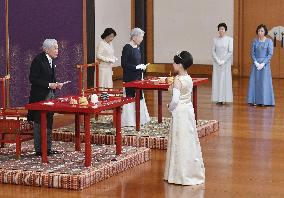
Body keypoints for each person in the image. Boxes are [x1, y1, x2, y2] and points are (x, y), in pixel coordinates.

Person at [164, 51, 205, 186]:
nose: (173, 64)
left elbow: (175, 101)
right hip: (188, 110)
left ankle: (178, 174)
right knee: (188, 139)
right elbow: (185, 95)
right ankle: (191, 171)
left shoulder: (178, 80)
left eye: (175, 62)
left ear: (180, 65)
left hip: (179, 111)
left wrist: (169, 107)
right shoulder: (188, 78)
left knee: (179, 139)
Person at [27, 39, 64, 156]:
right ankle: (39, 150)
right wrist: (49, 84)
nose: (57, 50)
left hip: (50, 95)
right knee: (39, 122)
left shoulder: (51, 60)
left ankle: (48, 148)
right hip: (40, 96)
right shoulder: (38, 60)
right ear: (47, 49)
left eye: (57, 48)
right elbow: (33, 79)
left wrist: (57, 84)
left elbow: (50, 78)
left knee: (49, 121)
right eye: (55, 48)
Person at [121, 28, 150, 127]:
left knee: (139, 96)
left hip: (138, 77)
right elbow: (124, 64)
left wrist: (142, 67)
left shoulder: (137, 47)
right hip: (129, 78)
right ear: (134, 37)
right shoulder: (127, 47)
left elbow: (138, 62)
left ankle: (140, 119)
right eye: (141, 37)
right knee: (130, 97)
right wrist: (136, 67)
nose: (142, 39)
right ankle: (129, 121)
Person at [247, 24, 275, 106]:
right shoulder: (254, 41)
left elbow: (270, 54)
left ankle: (264, 101)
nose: (260, 32)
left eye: (262, 31)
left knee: (264, 82)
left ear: (265, 32)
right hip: (255, 65)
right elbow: (252, 53)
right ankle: (254, 100)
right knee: (255, 82)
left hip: (264, 65)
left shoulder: (269, 41)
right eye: (259, 30)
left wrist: (263, 63)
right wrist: (255, 62)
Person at [212, 23, 233, 105]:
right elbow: (213, 51)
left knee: (225, 80)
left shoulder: (229, 39)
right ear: (218, 30)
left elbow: (230, 51)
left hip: (225, 63)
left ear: (225, 30)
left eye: (223, 29)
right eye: (220, 29)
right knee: (217, 79)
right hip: (217, 63)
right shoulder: (215, 39)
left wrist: (223, 61)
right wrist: (217, 60)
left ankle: (225, 99)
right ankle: (218, 99)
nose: (221, 30)